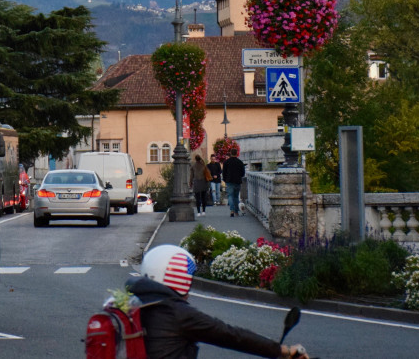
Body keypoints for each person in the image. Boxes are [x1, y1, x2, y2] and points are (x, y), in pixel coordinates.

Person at [127, 244, 308, 358]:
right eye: (188, 279)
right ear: (177, 277)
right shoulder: (176, 313)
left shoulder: (131, 305)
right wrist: (280, 350)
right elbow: (229, 335)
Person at [222, 147, 246, 217]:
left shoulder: (226, 162)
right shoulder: (240, 162)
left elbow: (224, 172)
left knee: (230, 195)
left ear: (231, 153)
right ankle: (236, 211)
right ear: (237, 153)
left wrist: (225, 179)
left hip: (229, 181)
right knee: (236, 196)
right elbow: (242, 173)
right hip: (237, 181)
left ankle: (231, 210)